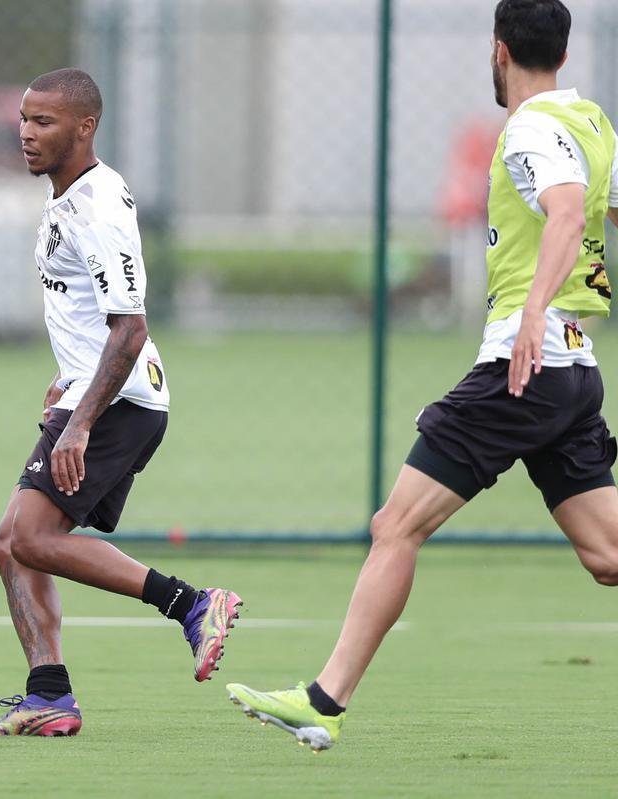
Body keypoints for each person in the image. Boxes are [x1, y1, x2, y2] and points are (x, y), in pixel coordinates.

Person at [227, 0, 618, 752]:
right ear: (562, 55)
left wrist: (533, 311)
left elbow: (569, 214)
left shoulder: (532, 129)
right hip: (570, 371)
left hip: (524, 363)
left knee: (396, 524)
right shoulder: (593, 121)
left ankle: (323, 700)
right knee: (607, 557)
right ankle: (323, 699)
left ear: (499, 50)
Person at [0, 68, 242, 737]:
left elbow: (130, 327)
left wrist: (79, 423)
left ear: (84, 127)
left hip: (121, 401)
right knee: (12, 545)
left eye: (45, 122)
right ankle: (49, 694)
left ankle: (192, 603)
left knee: (30, 537)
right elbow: (89, 320)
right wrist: (67, 385)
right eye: (26, 120)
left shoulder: (98, 206)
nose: (28, 134)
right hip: (92, 392)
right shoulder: (65, 198)